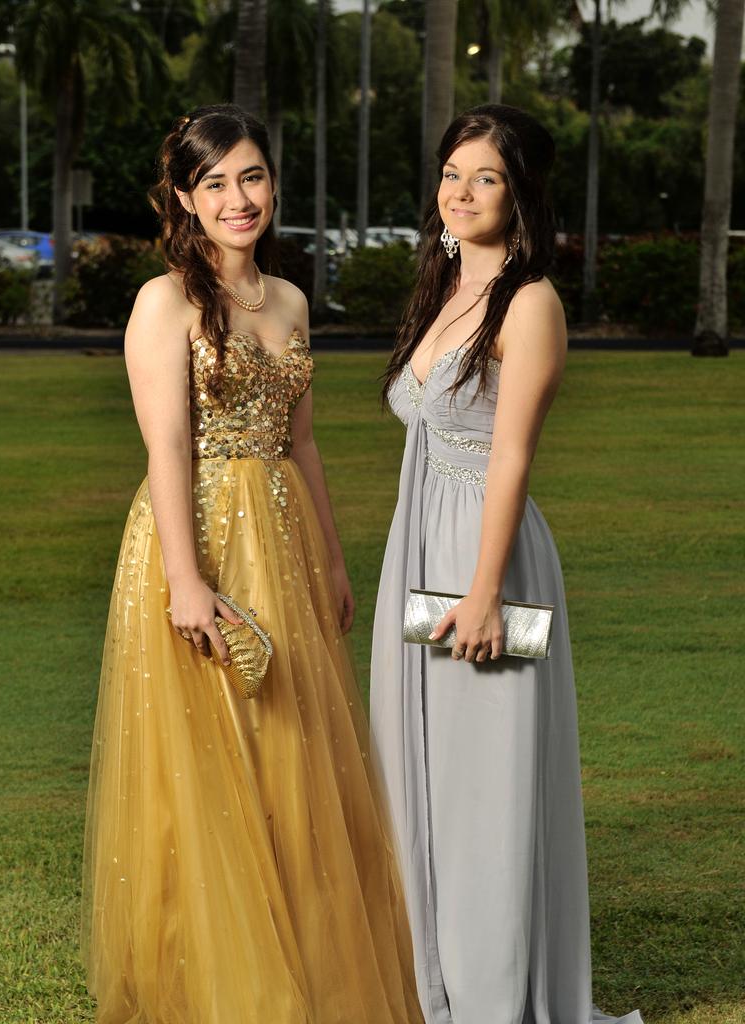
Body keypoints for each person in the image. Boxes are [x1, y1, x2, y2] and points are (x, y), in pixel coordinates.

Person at [82, 104, 423, 1024]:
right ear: (186, 199)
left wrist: (334, 559)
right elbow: (166, 452)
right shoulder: (165, 303)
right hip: (195, 540)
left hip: (284, 543)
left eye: (254, 176)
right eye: (217, 182)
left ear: (272, 184)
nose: (240, 198)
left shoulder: (291, 301)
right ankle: (210, 980)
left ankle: (305, 966)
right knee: (212, 761)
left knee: (293, 752)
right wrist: (187, 583)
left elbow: (303, 444)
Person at [370, 104, 644, 1024]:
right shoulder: (444, 290)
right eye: (452, 173)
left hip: (491, 563)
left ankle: (491, 996)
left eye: (485, 177)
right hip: (417, 550)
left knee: (485, 778)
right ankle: (429, 979)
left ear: (520, 193)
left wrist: (484, 595)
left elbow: (512, 458)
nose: (461, 192)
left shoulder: (531, 303)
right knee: (420, 767)